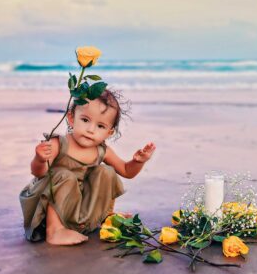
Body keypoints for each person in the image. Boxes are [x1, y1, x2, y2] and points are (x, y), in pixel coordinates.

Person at [19, 89, 156, 245]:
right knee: (65, 175)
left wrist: (138, 161)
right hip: (45, 207)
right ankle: (54, 230)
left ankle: (104, 216)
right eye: (85, 120)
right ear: (71, 118)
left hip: (77, 210)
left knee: (106, 171)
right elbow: (38, 173)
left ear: (109, 133)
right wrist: (40, 159)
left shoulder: (101, 150)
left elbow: (126, 171)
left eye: (100, 126)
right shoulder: (59, 144)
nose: (91, 130)